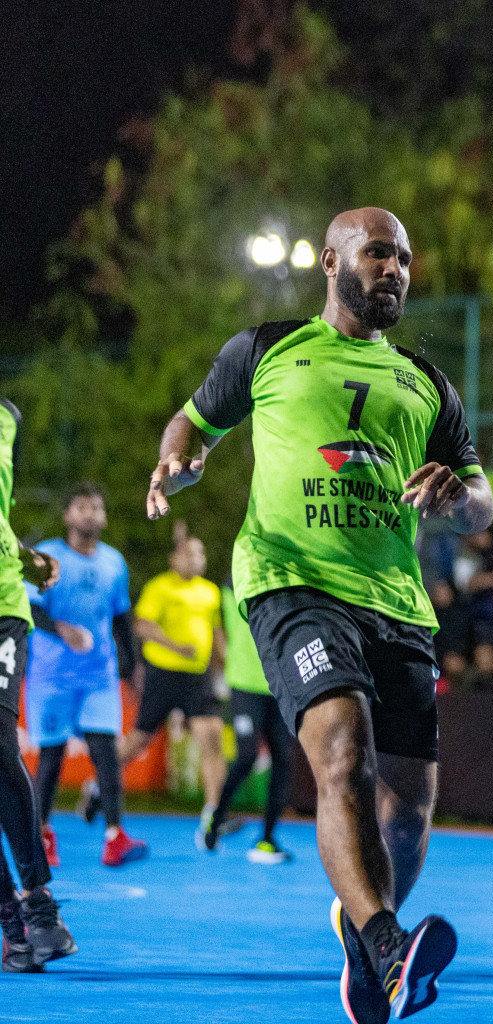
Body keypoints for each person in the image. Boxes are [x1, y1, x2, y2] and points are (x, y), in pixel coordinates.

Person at [146, 207, 493, 1021]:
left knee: (406, 817)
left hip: (398, 605)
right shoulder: (266, 348)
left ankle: (368, 948)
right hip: (291, 580)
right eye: (379, 252)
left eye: (405, 258)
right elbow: (193, 423)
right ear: (332, 260)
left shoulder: (427, 384)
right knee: (342, 757)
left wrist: (458, 494)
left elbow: (480, 500)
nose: (396, 269)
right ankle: (385, 944)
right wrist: (177, 460)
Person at [26, 483, 146, 868]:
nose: (89, 513)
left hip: (98, 677)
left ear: (104, 517)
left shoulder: (114, 562)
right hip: (51, 677)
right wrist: (63, 629)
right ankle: (41, 835)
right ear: (67, 516)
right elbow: (28, 609)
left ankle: (115, 837)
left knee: (106, 755)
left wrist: (133, 666)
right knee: (51, 758)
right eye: (81, 507)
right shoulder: (46, 556)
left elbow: (121, 618)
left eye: (96, 507)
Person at [0, 399, 76, 971]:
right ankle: (15, 927)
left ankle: (38, 902)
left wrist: (25, 558)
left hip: (2, 608)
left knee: (0, 746)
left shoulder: (9, 417)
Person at [118, 536, 228, 846]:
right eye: (190, 554)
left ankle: (212, 815)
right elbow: (142, 626)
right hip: (163, 674)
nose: (197, 559)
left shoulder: (210, 592)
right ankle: (99, 787)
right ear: (174, 559)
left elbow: (216, 631)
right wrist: (176, 646)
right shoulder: (160, 587)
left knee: (212, 736)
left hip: (198, 677)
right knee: (139, 741)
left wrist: (225, 666)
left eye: (200, 553)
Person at [202, 582, 295, 863]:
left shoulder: (288, 585)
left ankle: (266, 839)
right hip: (244, 683)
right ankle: (216, 819)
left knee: (285, 758)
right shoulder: (235, 584)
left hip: (279, 684)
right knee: (246, 756)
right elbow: (217, 629)